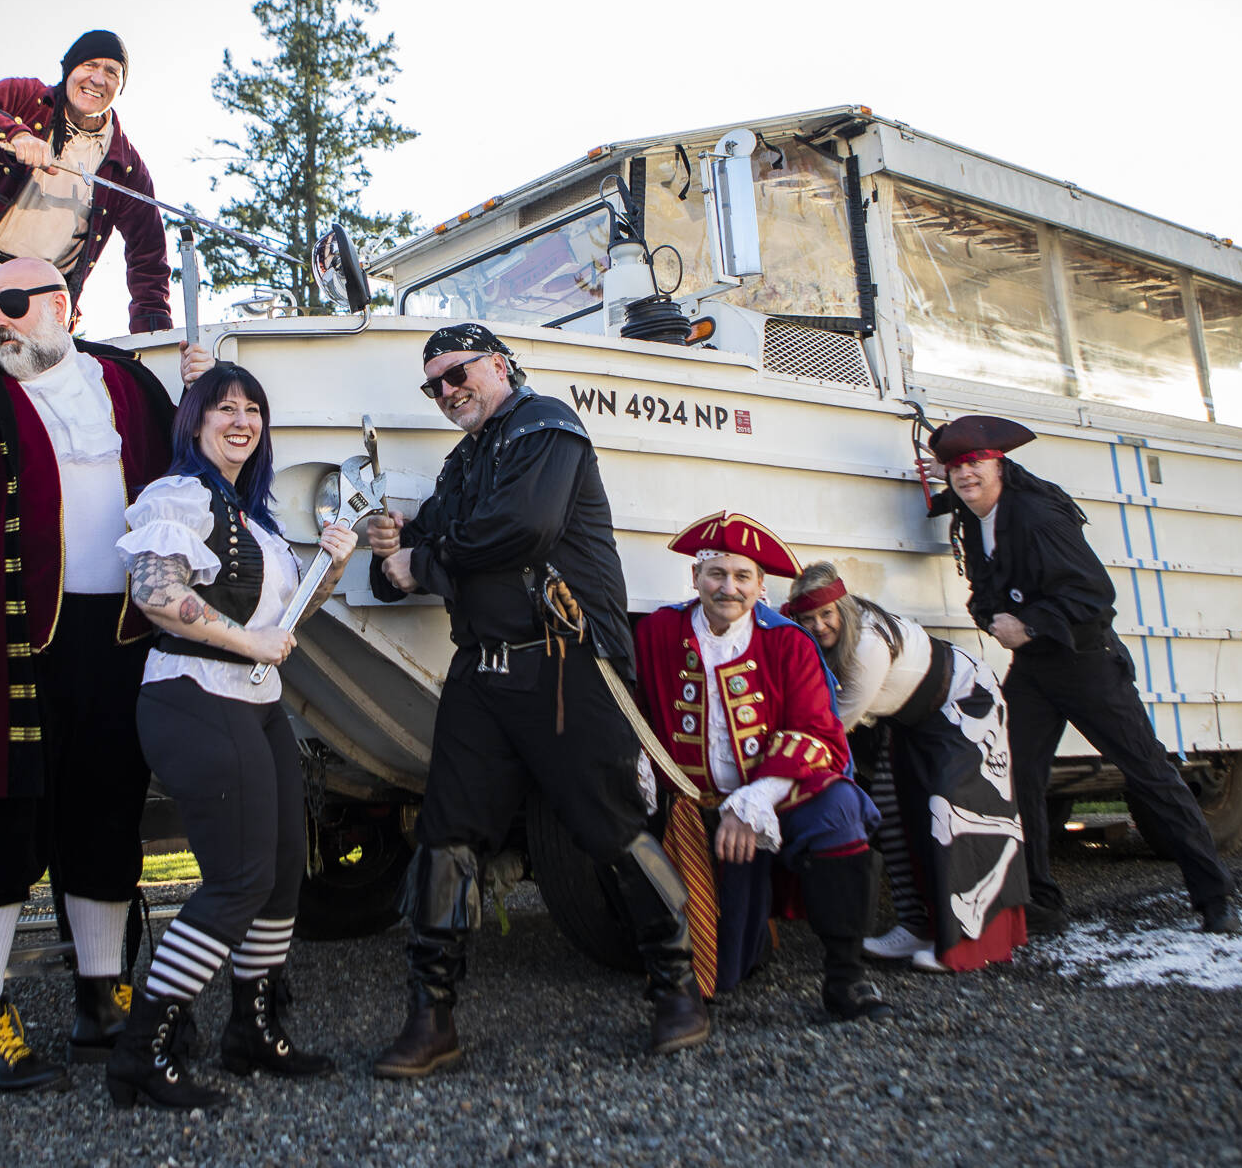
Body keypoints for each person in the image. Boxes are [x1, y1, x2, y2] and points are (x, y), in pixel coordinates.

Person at [364, 323, 709, 1076]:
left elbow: (524, 527)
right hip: (481, 675)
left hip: (567, 666)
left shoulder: (549, 424)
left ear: (497, 363)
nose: (449, 391)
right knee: (445, 837)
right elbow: (403, 563)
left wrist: (423, 556)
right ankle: (432, 1018)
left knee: (613, 827)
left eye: (458, 374)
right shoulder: (463, 463)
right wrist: (397, 543)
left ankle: (678, 990)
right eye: (436, 385)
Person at [0, 256, 178, 1092]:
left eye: (16, 304)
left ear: (65, 305)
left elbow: (194, 453)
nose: (1, 320)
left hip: (117, 636)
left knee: (106, 815)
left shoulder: (129, 387)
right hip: (2, 637)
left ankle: (102, 999)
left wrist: (199, 382)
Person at [104, 363, 359, 1110]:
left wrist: (333, 569)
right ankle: (141, 1052)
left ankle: (251, 1029)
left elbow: (283, 628)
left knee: (282, 875)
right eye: (225, 408)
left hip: (256, 699)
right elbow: (154, 594)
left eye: (253, 409)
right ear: (196, 422)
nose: (241, 419)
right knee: (239, 878)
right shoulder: (178, 495)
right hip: (192, 693)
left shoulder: (256, 519)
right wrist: (247, 645)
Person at [926, 414, 1240, 935]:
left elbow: (1093, 595)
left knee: (1150, 775)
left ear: (999, 462)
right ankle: (1040, 902)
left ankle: (1215, 896)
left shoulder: (1037, 516)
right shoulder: (972, 511)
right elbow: (983, 583)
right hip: (1035, 672)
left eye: (976, 462)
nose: (966, 474)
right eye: (956, 465)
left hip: (1087, 661)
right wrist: (991, 615)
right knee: (1013, 775)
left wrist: (1025, 626)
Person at [632, 514, 892, 1022]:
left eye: (742, 576)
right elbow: (632, 704)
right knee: (723, 972)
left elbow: (820, 734)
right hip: (693, 806)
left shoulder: (788, 641)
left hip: (775, 797)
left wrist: (754, 802)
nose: (728, 587)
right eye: (716, 574)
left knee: (840, 812)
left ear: (760, 585)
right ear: (695, 579)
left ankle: (846, 979)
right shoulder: (659, 631)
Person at [782, 563, 1027, 974]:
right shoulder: (818, 640)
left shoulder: (868, 646)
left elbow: (834, 723)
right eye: (808, 618)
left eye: (826, 614)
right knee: (890, 809)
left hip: (966, 702)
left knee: (952, 811)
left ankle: (968, 941)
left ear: (842, 606)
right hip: (912, 719)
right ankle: (917, 924)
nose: (819, 625)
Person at [0, 29, 172, 364]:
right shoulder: (29, 99)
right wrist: (11, 133)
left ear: (120, 86)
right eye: (89, 65)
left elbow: (149, 263)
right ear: (69, 70)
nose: (98, 79)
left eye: (112, 72)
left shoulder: (126, 167)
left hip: (23, 296)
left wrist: (158, 344)